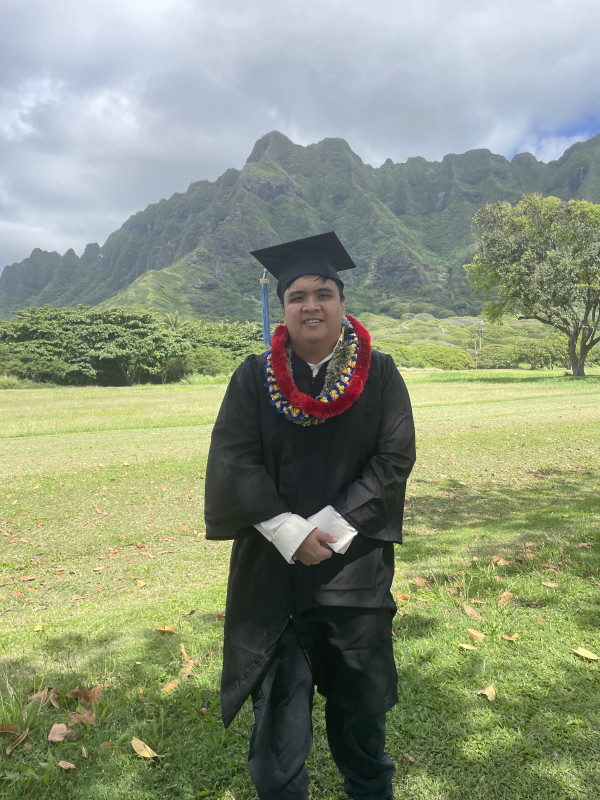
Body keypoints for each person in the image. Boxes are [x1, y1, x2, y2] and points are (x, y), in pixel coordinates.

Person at [204, 231, 416, 800]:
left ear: (343, 303)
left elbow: (393, 458)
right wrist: (286, 531)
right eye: (297, 295)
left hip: (353, 576)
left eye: (323, 292)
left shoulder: (382, 375)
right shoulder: (253, 377)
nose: (311, 304)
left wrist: (330, 528)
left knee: (362, 723)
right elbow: (235, 458)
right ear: (283, 307)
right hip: (273, 578)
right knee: (277, 735)